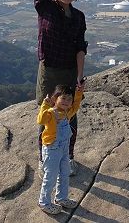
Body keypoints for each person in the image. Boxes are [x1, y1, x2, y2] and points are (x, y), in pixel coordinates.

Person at [34, 0, 88, 175]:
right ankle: (44, 156)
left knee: (70, 115)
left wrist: (79, 76)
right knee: (47, 113)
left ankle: (68, 156)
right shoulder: (45, 7)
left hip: (68, 71)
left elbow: (80, 47)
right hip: (49, 70)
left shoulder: (78, 17)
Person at [37, 83, 84, 215]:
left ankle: (61, 197)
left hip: (63, 148)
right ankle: (44, 202)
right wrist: (45, 105)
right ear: (55, 99)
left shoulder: (67, 113)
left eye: (69, 99)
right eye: (63, 98)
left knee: (64, 173)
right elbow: (40, 120)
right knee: (50, 176)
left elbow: (76, 105)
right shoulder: (51, 113)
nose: (66, 101)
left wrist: (79, 93)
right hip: (52, 148)